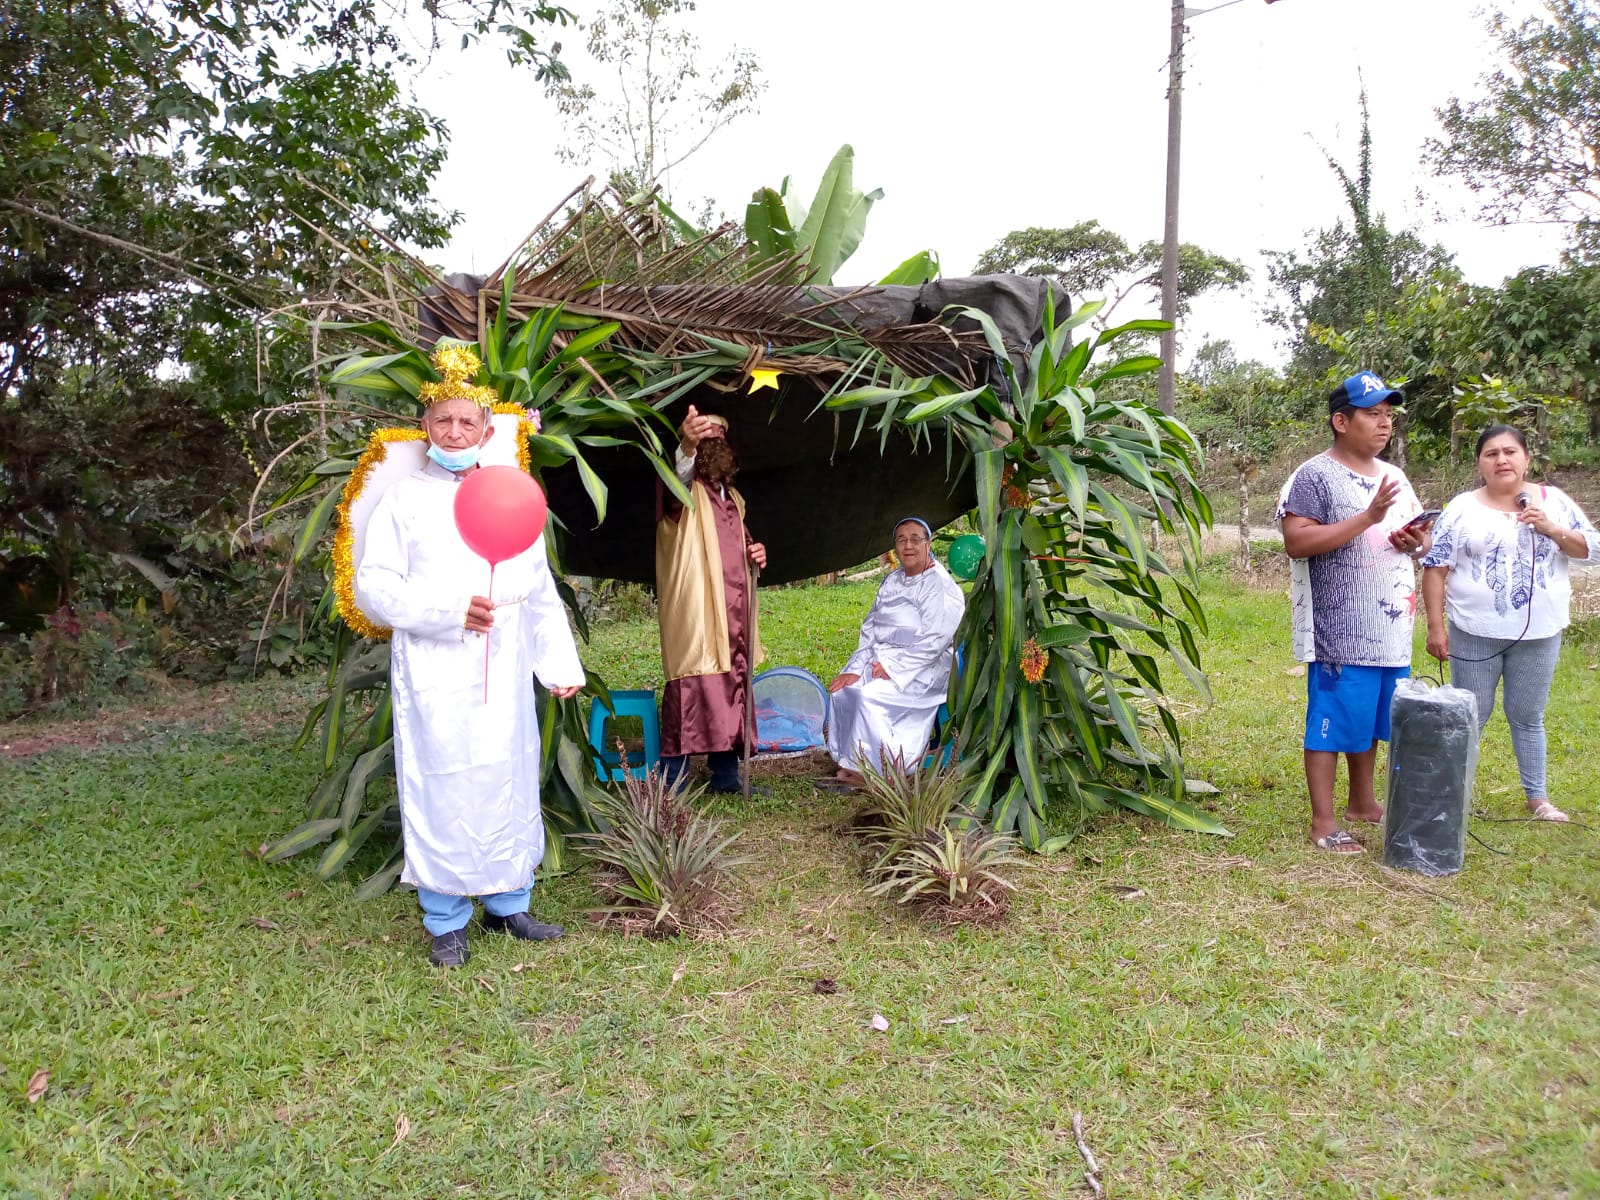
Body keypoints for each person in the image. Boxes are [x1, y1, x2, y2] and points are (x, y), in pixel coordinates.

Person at [355, 350, 584, 967]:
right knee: (445, 785)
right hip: (436, 670)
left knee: (508, 777)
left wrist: (557, 663)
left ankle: (510, 903)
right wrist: (449, 611)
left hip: (504, 667)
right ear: (425, 426)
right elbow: (374, 586)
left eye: (466, 422)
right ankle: (446, 919)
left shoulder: (510, 495)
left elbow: (538, 589)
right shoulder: (403, 501)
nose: (455, 432)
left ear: (486, 430)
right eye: (443, 420)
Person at [1275, 371, 1432, 854]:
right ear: (1340, 421)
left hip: (1391, 627)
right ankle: (1323, 822)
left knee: (1373, 718)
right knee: (1332, 722)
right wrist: (1368, 517)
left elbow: (1422, 543)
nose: (1384, 424)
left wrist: (1414, 541)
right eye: (1372, 414)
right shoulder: (1314, 475)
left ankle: (1362, 801)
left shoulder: (1395, 476)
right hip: (1340, 628)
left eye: (1388, 415)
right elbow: (1297, 541)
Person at [1420, 424, 1598, 822]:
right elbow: (1435, 568)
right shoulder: (1462, 508)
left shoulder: (1554, 502)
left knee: (1528, 715)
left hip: (1540, 633)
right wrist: (1436, 627)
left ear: (1526, 459)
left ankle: (1538, 798)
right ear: (1480, 464)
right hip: (1474, 632)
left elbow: (1592, 550)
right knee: (1470, 715)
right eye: (1491, 454)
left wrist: (1551, 528)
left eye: (1510, 452)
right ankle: (1450, 795)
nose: (1502, 460)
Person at [655, 404, 767, 793]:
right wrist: (686, 446)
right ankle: (672, 785)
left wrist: (756, 552)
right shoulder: (682, 492)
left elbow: (742, 544)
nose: (713, 444)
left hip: (733, 611)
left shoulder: (733, 498)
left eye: (720, 437)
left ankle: (726, 777)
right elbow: (679, 474)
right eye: (705, 439)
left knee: (730, 684)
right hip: (697, 609)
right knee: (693, 682)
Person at [822, 517, 966, 789]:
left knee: (869, 697)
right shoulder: (892, 581)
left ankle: (879, 770)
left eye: (915, 539)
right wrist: (855, 669)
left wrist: (894, 668)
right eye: (901, 540)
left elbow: (936, 640)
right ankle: (850, 762)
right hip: (883, 658)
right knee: (844, 690)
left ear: (928, 544)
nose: (908, 546)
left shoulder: (939, 584)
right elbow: (870, 630)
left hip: (923, 667)